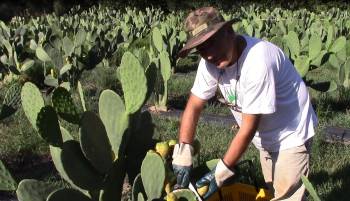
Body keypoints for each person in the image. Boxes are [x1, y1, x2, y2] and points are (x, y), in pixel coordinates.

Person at [171, 6, 318, 201]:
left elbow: (249, 126)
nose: (209, 54)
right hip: (264, 137)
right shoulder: (210, 63)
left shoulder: (258, 61)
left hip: (291, 133)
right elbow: (194, 105)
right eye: (201, 48)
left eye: (212, 43)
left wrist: (222, 170)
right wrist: (183, 150)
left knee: (287, 196)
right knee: (274, 190)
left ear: (229, 32)